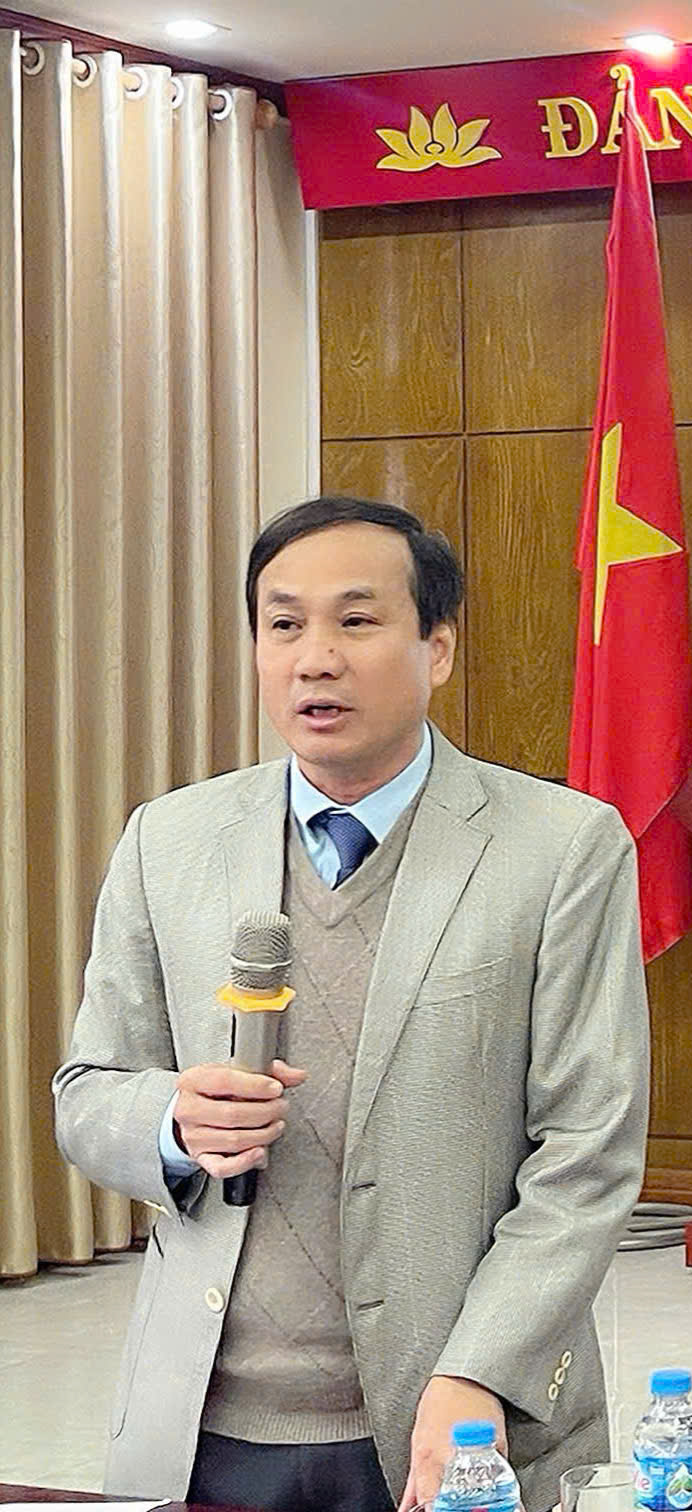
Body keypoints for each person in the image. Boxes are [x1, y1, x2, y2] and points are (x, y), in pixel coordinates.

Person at [53, 496, 649, 1512]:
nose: (315, 659)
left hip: (452, 1420)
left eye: (357, 621)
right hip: (204, 1425)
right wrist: (171, 1121)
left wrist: (480, 1372)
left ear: (437, 648)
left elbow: (586, 1154)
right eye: (283, 624)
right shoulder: (169, 841)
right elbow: (87, 1092)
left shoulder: (561, 850)